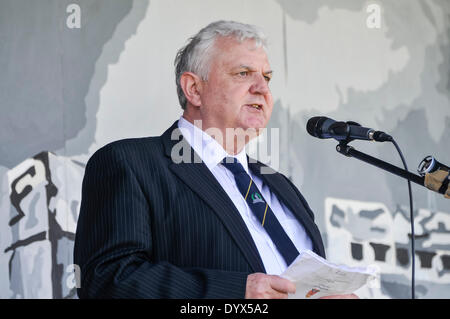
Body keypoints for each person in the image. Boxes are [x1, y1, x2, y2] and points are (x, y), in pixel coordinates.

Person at [74, 20, 356, 299]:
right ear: (194, 89)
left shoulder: (280, 186)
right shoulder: (130, 164)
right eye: (244, 73)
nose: (262, 88)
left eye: (267, 77)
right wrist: (234, 294)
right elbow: (108, 281)